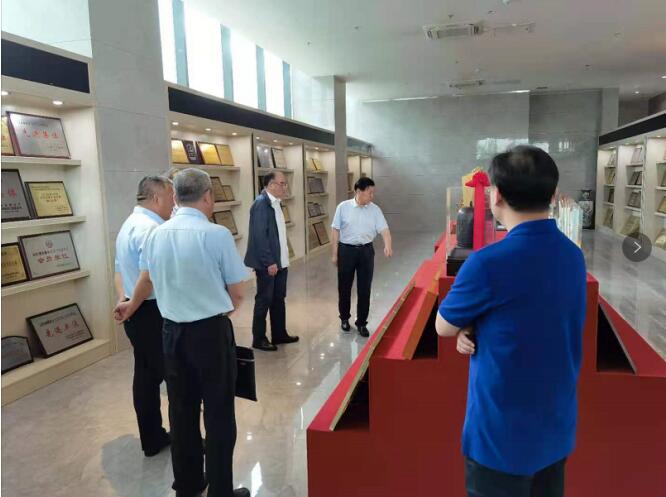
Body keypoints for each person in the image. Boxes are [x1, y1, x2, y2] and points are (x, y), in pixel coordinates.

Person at [435, 145, 587, 497]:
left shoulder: (486, 263)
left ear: (496, 195)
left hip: (499, 438)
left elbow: (444, 326)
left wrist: (470, 324)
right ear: (553, 195)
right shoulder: (573, 256)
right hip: (555, 427)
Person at [114, 168, 250, 497]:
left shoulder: (157, 234)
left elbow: (146, 278)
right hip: (210, 333)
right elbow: (238, 292)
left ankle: (187, 486)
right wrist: (221, 311)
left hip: (171, 332)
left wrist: (130, 304)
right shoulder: (217, 235)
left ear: (175, 197)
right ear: (208, 196)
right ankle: (220, 491)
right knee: (218, 413)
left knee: (181, 410)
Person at [113, 175, 174, 457]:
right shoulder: (152, 229)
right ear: (157, 198)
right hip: (150, 311)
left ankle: (152, 438)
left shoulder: (129, 223)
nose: (174, 203)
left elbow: (118, 269)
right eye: (171, 197)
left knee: (146, 378)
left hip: (136, 310)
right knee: (174, 379)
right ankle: (185, 442)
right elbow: (148, 279)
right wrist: (133, 304)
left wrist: (124, 300)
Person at [331, 177, 392, 337]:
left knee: (365, 289)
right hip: (346, 251)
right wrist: (334, 253)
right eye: (369, 192)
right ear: (358, 191)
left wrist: (388, 245)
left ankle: (362, 323)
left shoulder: (375, 210)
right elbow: (335, 230)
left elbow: (384, 229)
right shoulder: (343, 207)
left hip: (366, 252)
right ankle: (344, 318)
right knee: (344, 287)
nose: (372, 196)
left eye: (373, 192)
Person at [244, 171, 299, 351]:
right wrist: (269, 262)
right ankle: (259, 338)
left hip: (280, 261)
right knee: (264, 300)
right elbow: (260, 236)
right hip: (269, 264)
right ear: (271, 185)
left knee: (278, 299)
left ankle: (279, 334)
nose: (285, 187)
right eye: (282, 184)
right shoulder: (261, 204)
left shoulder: (276, 203)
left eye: (285, 184)